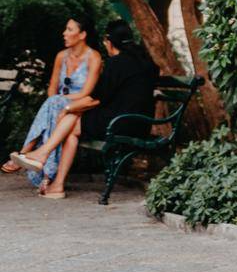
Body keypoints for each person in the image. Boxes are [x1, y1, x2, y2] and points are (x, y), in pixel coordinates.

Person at [10, 21, 157, 198]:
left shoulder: (117, 63)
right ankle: (52, 175)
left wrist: (68, 108)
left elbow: (95, 99)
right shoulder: (145, 63)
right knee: (73, 123)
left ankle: (43, 158)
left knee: (72, 118)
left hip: (121, 123)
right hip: (138, 122)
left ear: (108, 42)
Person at [3, 16, 102, 191]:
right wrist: (56, 102)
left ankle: (25, 152)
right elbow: (52, 87)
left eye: (70, 29)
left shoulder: (94, 57)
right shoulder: (61, 56)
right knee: (53, 106)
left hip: (80, 107)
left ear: (82, 34)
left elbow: (87, 92)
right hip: (58, 108)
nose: (64, 33)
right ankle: (47, 177)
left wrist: (60, 101)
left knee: (55, 102)